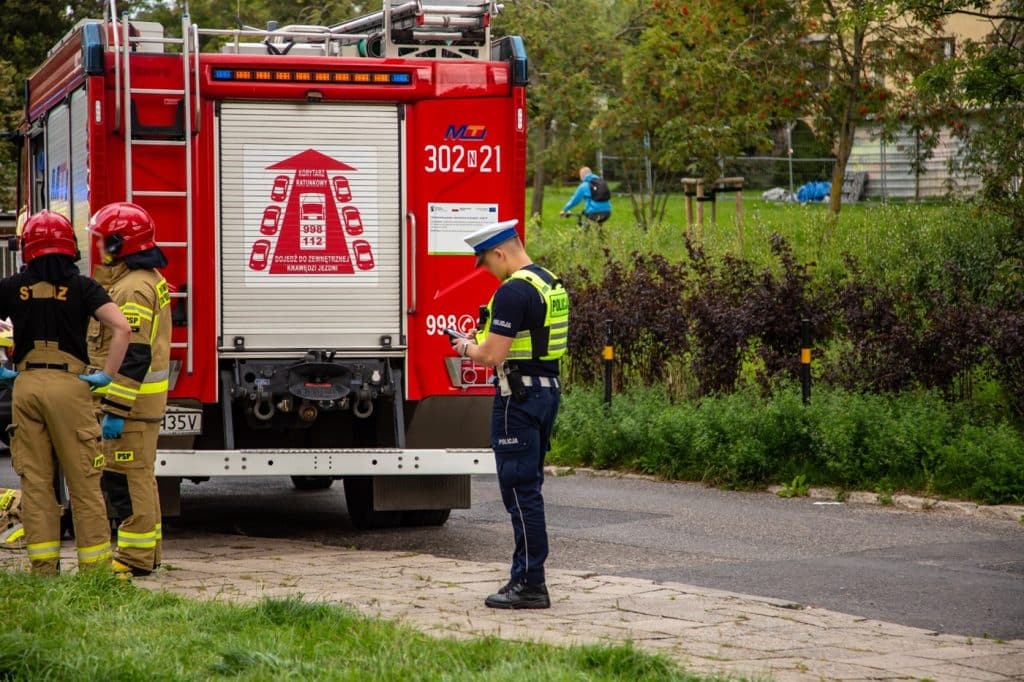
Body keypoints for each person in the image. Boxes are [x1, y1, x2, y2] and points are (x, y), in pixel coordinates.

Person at [0, 210, 130, 575]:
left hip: (25, 387)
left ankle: (43, 569)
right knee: (84, 481)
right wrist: (106, 375)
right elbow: (122, 329)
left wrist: (1, 370)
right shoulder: (84, 287)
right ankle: (95, 572)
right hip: (70, 386)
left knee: (37, 482)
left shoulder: (12, 286)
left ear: (28, 249)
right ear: (70, 247)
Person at [451, 219, 569, 609]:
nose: (486, 270)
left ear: (501, 252)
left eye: (485, 262)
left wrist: (465, 348)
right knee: (529, 489)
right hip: (546, 394)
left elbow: (493, 355)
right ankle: (523, 578)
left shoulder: (513, 291)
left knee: (520, 494)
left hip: (516, 400)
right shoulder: (550, 283)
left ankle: (531, 584)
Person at [87, 202, 171, 578]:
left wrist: (115, 411)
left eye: (105, 240)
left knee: (128, 478)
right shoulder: (140, 279)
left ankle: (134, 559)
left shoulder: (133, 289)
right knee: (138, 476)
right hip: (139, 400)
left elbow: (134, 355)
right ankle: (146, 555)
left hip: (132, 404)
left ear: (122, 244)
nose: (100, 247)